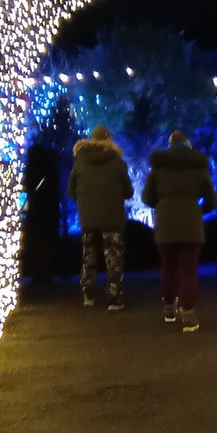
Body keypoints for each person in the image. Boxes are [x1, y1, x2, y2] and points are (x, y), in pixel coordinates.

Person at [143, 130, 217, 331]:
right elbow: (212, 200)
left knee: (168, 267)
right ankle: (189, 315)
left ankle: (169, 309)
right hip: (191, 224)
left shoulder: (158, 168)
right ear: (188, 145)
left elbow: (147, 198)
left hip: (165, 223)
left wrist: (163, 204)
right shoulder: (198, 166)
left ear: (169, 145)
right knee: (188, 271)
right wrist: (199, 210)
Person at [67, 125, 133, 310]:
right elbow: (128, 191)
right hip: (112, 218)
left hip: (88, 218)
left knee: (89, 256)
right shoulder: (117, 162)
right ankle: (114, 297)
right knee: (113, 257)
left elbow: (71, 190)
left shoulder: (79, 162)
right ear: (108, 139)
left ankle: (88, 294)